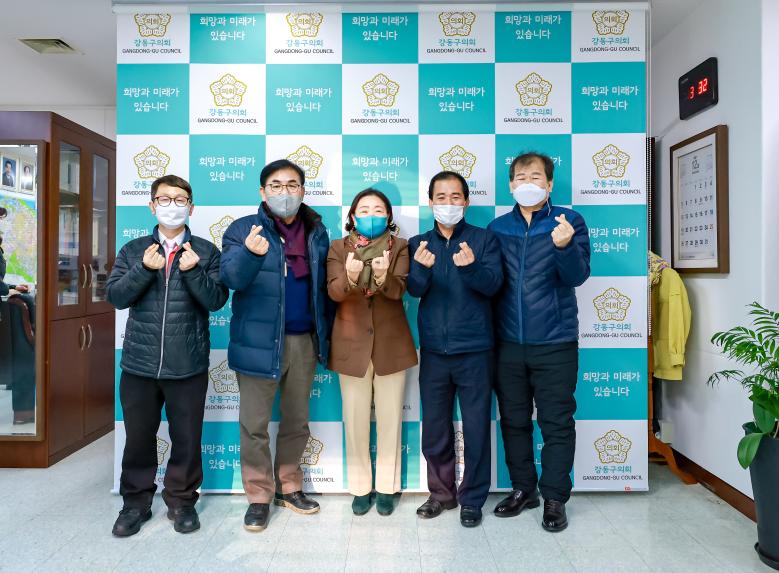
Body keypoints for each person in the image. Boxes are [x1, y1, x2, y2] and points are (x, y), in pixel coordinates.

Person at [106, 175, 228, 537]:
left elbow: (216, 300)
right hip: (139, 365)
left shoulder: (205, 252)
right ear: (151, 205)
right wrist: (144, 269)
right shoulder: (133, 250)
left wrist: (193, 272)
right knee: (138, 438)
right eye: (164, 198)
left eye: (180, 199)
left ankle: (182, 502)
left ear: (191, 207)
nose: (171, 205)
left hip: (187, 364)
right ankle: (135, 503)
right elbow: (116, 297)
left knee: (187, 438)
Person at [220, 159, 332, 533]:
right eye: (276, 185)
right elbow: (231, 278)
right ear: (262, 191)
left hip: (303, 341)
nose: (285, 192)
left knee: (296, 421)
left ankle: (289, 487)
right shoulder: (243, 229)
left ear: (303, 190)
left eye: (292, 185)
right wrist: (250, 253)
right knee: (254, 425)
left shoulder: (316, 231)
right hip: (257, 342)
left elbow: (322, 289)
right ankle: (258, 496)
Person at [487, 152, 591, 532]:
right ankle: (523, 489)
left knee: (556, 424)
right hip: (507, 343)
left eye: (535, 177)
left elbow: (577, 276)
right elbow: (492, 283)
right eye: (520, 177)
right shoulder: (498, 228)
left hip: (556, 342)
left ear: (549, 184)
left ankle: (555, 499)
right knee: (514, 421)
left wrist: (565, 246)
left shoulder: (569, 222)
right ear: (511, 185)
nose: (527, 183)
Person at [407, 172, 503, 528]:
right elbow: (414, 290)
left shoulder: (484, 239)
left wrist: (472, 268)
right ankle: (441, 493)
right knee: (434, 428)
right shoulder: (418, 243)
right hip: (434, 351)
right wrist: (421, 269)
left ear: (466, 201)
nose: (448, 204)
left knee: (476, 427)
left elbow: (494, 286)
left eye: (455, 197)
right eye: (441, 197)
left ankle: (472, 498)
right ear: (430, 201)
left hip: (475, 349)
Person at [326, 188, 417, 517]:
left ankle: (387, 488)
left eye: (378, 210)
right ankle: (361, 488)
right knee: (355, 421)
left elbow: (399, 290)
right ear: (352, 216)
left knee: (391, 419)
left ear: (389, 216)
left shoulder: (400, 246)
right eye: (364, 210)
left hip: (392, 345)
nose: (371, 215)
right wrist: (350, 277)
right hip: (351, 346)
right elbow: (334, 292)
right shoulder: (338, 248)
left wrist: (382, 276)